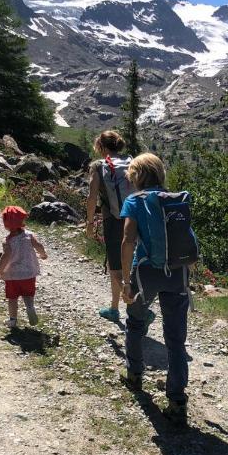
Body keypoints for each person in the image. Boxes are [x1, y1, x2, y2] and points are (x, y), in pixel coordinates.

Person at [120, 154, 192, 427]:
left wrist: (126, 280)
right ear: (160, 173)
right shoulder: (177, 200)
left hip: (146, 271)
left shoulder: (134, 201)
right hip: (177, 274)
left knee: (136, 323)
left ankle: (135, 375)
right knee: (175, 340)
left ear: (136, 175)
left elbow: (128, 240)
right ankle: (176, 401)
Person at [86, 130, 134, 322]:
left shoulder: (98, 166)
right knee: (131, 264)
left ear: (102, 147)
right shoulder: (131, 162)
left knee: (115, 267)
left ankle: (135, 304)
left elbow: (91, 197)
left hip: (113, 221)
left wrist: (89, 223)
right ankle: (114, 307)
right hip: (135, 219)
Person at [0, 205, 47, 329]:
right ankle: (29, 306)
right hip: (29, 273)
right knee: (28, 294)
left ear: (6, 224)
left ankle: (13, 321)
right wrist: (43, 254)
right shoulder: (29, 235)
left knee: (12, 298)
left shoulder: (8, 241)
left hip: (12, 275)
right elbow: (38, 245)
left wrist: (0, 270)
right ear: (22, 220)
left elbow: (5, 257)